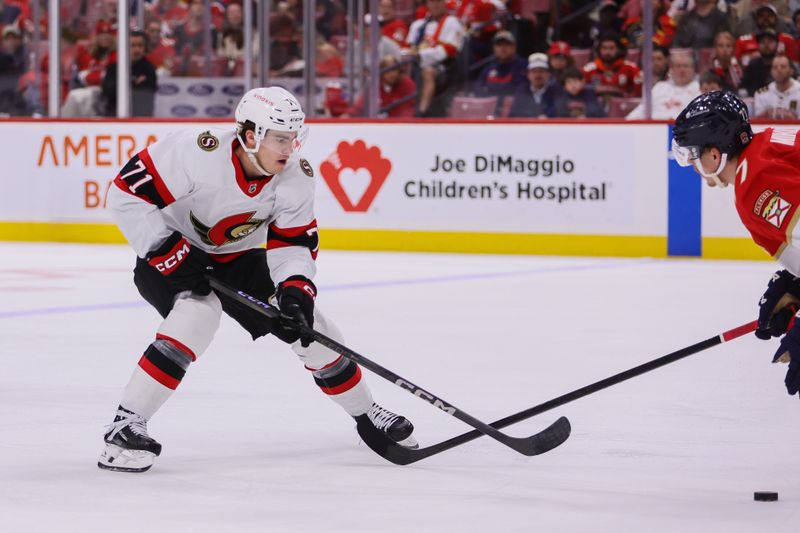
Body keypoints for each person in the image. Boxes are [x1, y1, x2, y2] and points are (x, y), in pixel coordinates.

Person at [98, 87, 417, 473]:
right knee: (197, 316)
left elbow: (293, 243)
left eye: (294, 137)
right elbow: (126, 194)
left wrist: (296, 289)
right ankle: (124, 427)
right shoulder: (198, 151)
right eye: (280, 138)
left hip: (239, 259)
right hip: (171, 252)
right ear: (250, 135)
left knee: (311, 328)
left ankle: (368, 415)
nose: (290, 147)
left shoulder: (295, 177)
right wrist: (165, 249)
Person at [671, 90, 800, 399]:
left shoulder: (755, 185)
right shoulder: (766, 145)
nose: (690, 164)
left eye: (692, 154)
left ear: (714, 154)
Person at [403, 0, 465, 116]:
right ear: (427, 4)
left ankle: (421, 112)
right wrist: (411, 54)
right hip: (415, 63)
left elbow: (450, 50)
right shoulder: (418, 25)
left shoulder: (452, 22)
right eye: (432, 2)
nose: (436, 5)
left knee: (428, 72)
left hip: (444, 66)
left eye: (439, 2)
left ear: (444, 3)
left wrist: (421, 54)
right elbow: (407, 47)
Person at [627, 51, 700, 119]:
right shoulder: (660, 87)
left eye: (686, 66)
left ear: (693, 69)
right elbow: (642, 109)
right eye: (678, 66)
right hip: (656, 128)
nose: (682, 70)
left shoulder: (699, 89)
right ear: (671, 69)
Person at [101, 30, 157, 117]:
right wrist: (133, 82)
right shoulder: (113, 68)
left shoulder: (149, 69)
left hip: (141, 117)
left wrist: (123, 85)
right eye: (132, 46)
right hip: (113, 116)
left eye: (140, 46)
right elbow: (107, 92)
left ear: (145, 48)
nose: (137, 49)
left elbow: (146, 95)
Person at [473, 31, 527, 102]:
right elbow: (478, 89)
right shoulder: (489, 67)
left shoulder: (523, 65)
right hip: (489, 108)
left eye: (507, 44)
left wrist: (491, 91)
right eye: (499, 45)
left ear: (514, 47)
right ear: (494, 48)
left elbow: (520, 91)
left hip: (514, 110)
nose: (502, 48)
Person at [509, 52, 562, 118]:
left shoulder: (557, 90)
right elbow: (514, 112)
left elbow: (560, 110)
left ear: (548, 74)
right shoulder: (521, 90)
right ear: (528, 74)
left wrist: (548, 116)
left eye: (541, 71)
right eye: (534, 71)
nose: (538, 75)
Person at [741, 28, 780, 95]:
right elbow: (743, 87)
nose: (766, 45)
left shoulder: (783, 65)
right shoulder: (753, 65)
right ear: (758, 45)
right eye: (762, 42)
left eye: (770, 41)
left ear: (777, 44)